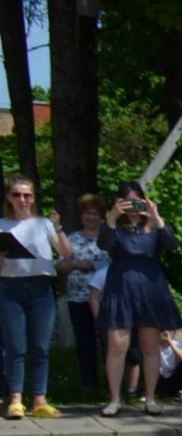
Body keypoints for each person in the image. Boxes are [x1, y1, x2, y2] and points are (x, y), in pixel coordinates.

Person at [96, 181, 180, 418]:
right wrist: (112, 217)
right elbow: (104, 243)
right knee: (117, 345)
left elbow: (171, 245)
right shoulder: (114, 227)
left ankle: (150, 398)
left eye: (137, 201)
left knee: (150, 346)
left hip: (149, 289)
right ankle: (114, 399)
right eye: (128, 201)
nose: (133, 207)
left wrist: (156, 216)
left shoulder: (152, 226)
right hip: (121, 286)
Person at [0, 174, 71, 420]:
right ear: (8, 197)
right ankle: (16, 399)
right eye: (17, 195)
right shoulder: (2, 225)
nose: (23, 199)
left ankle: (39, 399)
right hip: (10, 288)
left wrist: (58, 227)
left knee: (40, 346)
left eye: (27, 195)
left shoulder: (43, 224)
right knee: (15, 346)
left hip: (41, 288)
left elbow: (65, 252)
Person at [59, 194, 105, 399]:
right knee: (84, 342)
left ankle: (112, 382)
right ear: (81, 216)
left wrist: (94, 264)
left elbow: (114, 263)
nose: (91, 217)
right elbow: (59, 265)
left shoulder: (107, 237)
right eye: (88, 213)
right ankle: (89, 384)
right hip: (77, 298)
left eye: (95, 213)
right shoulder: (72, 238)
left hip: (104, 299)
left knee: (108, 341)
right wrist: (76, 264)